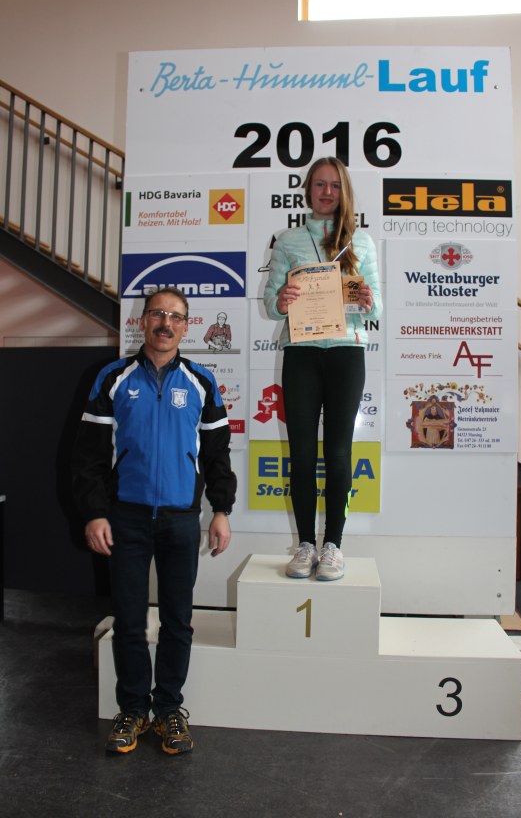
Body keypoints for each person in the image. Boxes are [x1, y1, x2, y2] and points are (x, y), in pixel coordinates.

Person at [72, 286, 236, 755]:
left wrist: (221, 510)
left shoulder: (201, 381)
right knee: (128, 620)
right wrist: (95, 513)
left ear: (186, 327)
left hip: (181, 520)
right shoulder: (112, 378)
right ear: (142, 321)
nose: (166, 323)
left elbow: (218, 455)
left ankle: (168, 710)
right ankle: (132, 710)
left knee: (178, 621)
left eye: (176, 316)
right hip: (125, 517)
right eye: (158, 314)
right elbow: (87, 457)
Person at [263, 157, 382, 582]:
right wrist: (281, 300)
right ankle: (305, 545)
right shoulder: (289, 240)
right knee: (300, 453)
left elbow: (377, 306)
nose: (327, 192)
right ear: (308, 190)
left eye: (334, 185)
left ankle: (333, 544)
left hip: (347, 353)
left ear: (343, 191)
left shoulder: (361, 241)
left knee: (338, 452)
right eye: (319, 184)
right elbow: (270, 303)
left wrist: (369, 300)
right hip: (302, 352)